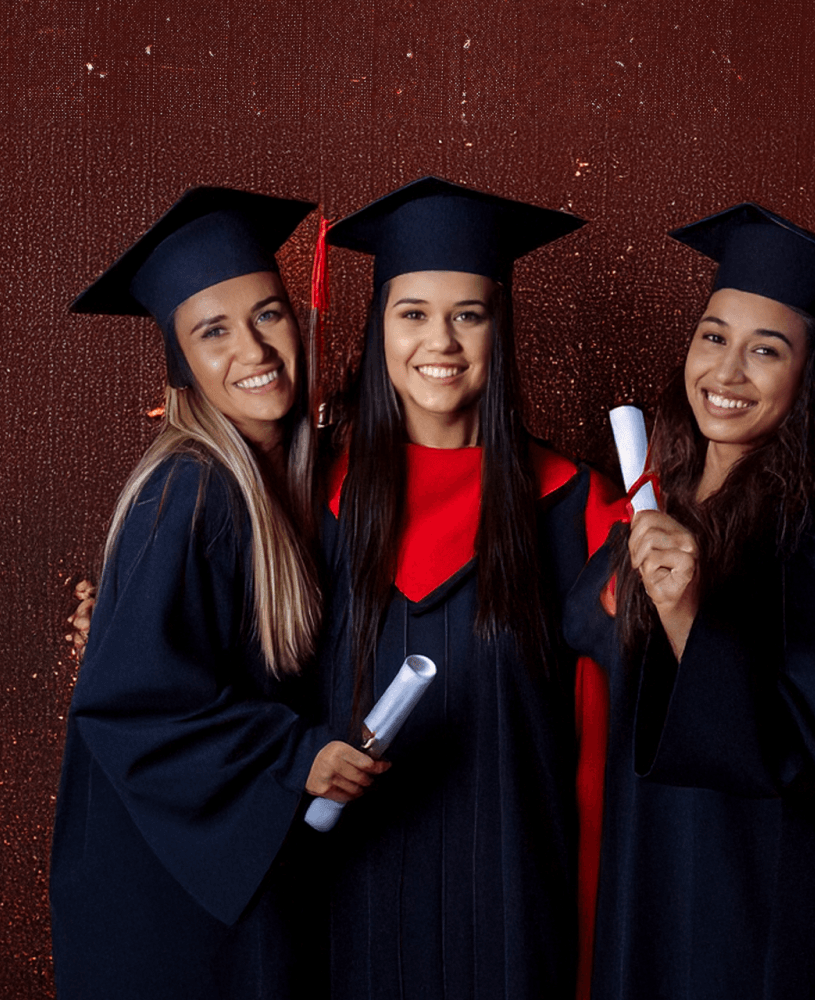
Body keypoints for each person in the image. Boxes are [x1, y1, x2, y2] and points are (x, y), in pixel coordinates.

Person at [565, 203, 815, 999]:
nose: (726, 373)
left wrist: (687, 614)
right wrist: (624, 587)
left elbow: (813, 752)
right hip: (652, 869)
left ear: (806, 378)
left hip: (746, 902)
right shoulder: (667, 504)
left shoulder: (807, 547)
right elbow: (585, 625)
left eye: (766, 350)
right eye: (714, 337)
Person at [50, 187, 387, 1000]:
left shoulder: (280, 481)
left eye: (268, 314)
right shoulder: (192, 490)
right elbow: (132, 703)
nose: (254, 348)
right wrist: (296, 755)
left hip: (227, 872)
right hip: (169, 899)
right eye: (214, 331)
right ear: (181, 363)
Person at [314, 176, 621, 1000]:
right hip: (349, 914)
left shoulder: (578, 510)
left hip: (516, 913)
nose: (440, 341)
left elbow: (608, 748)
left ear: (499, 330)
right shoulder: (309, 503)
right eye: (413, 313)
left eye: (469, 315)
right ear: (379, 327)